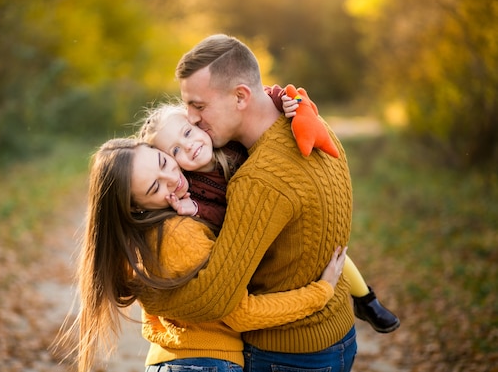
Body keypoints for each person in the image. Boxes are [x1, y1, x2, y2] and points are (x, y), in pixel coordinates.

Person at [134, 34, 360, 372]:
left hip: (286, 354)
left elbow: (218, 299)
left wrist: (145, 292)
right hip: (337, 333)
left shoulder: (257, 180)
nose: (192, 119)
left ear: (241, 96)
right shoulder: (309, 122)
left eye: (199, 106)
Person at [74, 138, 348, 372]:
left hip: (175, 360)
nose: (172, 179)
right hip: (206, 362)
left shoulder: (144, 234)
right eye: (155, 188)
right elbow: (240, 314)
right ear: (135, 207)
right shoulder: (178, 234)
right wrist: (319, 293)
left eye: (163, 161)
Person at [138, 100, 400, 334]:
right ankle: (304, 304)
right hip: (248, 236)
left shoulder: (229, 142)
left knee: (331, 248)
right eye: (174, 151)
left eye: (187, 133)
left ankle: (366, 299)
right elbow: (222, 220)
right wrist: (195, 210)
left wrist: (282, 99)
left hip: (278, 212)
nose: (189, 147)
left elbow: (252, 98)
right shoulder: (192, 189)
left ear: (197, 125)